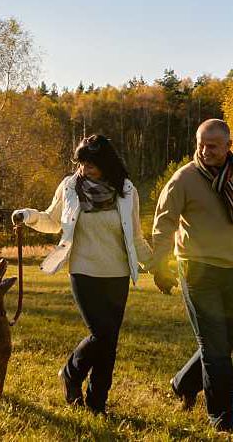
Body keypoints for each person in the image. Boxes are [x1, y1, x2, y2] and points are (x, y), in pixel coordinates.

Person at [12, 134, 152, 414]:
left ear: (106, 163)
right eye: (81, 163)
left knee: (109, 343)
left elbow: (135, 237)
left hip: (117, 275)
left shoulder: (126, 191)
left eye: (91, 164)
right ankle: (71, 373)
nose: (84, 169)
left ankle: (97, 403)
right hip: (83, 270)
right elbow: (53, 221)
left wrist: (156, 266)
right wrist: (27, 216)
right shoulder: (70, 187)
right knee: (101, 334)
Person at [151, 118, 233, 432]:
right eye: (200, 144)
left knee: (223, 344)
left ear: (228, 146)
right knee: (215, 348)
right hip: (198, 271)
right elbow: (163, 225)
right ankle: (222, 417)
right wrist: (160, 266)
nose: (205, 150)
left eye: (213, 145)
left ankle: (183, 384)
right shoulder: (183, 178)